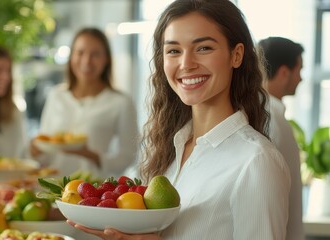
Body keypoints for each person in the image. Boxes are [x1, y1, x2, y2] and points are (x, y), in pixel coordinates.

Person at [68, 0, 290, 239]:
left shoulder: (256, 161)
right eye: (174, 51)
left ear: (236, 55)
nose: (186, 64)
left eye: (203, 48)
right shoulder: (171, 147)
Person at [33, 27, 139, 177]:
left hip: (93, 191)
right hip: (52, 186)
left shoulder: (121, 102)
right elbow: (46, 150)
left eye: (95, 54)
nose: (86, 61)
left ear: (107, 58)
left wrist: (93, 156)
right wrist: (36, 151)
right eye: (80, 52)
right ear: (71, 57)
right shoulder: (56, 95)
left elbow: (129, 156)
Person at [258, 36, 304, 240]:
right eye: (299, 70)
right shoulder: (272, 122)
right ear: (284, 72)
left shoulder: (267, 116)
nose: (301, 79)